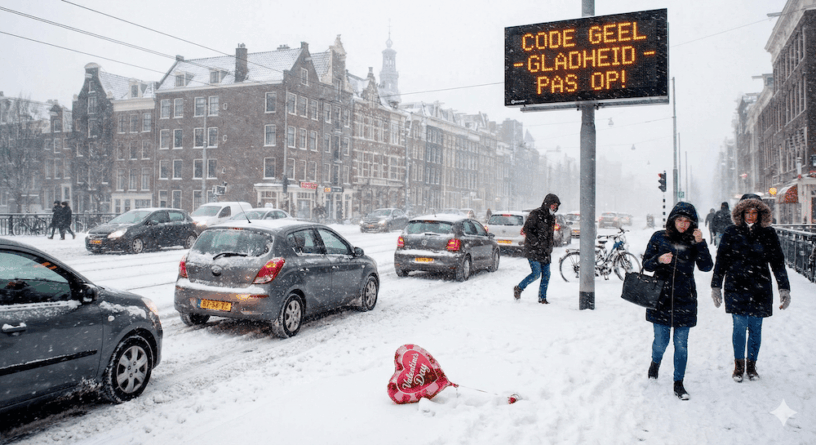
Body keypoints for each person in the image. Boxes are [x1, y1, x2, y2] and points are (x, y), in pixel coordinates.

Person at [710, 193, 790, 383]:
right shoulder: (731, 232)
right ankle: (739, 366)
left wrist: (784, 288)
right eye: (747, 212)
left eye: (755, 212)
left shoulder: (768, 233)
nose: (751, 216)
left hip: (760, 286)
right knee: (739, 326)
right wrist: (716, 286)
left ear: (760, 213)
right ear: (741, 213)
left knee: (755, 328)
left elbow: (778, 262)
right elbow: (721, 260)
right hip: (736, 286)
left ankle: (752, 366)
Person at [642, 201, 713, 400]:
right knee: (661, 341)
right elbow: (646, 264)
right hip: (660, 297)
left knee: (681, 344)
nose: (683, 224)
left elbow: (706, 267)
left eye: (687, 221)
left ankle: (678, 383)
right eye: (679, 220)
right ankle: (655, 363)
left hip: (685, 297)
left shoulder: (694, 240)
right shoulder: (658, 237)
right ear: (673, 220)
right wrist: (658, 260)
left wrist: (701, 243)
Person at [513, 194, 560, 304]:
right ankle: (519, 288)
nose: (555, 208)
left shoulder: (552, 217)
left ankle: (542, 298)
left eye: (556, 206)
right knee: (536, 273)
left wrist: (549, 246)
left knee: (546, 275)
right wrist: (537, 243)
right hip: (533, 249)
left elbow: (550, 234)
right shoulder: (535, 214)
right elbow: (527, 230)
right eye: (553, 205)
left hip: (545, 251)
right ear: (547, 204)